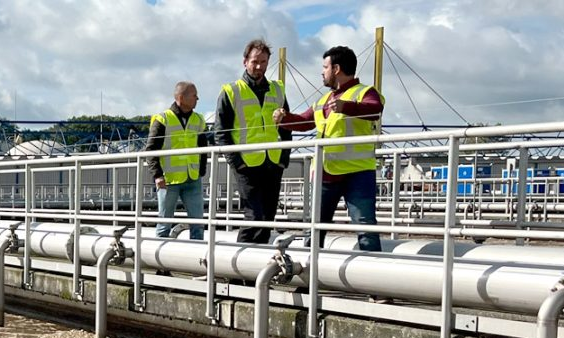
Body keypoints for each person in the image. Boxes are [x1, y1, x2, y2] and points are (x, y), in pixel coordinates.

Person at [274, 45, 385, 251]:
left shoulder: (365, 92)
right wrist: (284, 119)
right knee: (314, 228)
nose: (321, 72)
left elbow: (375, 109)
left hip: (357, 173)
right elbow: (304, 122)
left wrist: (347, 107)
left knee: (365, 227)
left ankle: (372, 278)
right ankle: (307, 277)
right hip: (325, 174)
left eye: (325, 67)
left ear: (336, 69)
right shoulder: (323, 100)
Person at [215, 38, 292, 244]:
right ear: (245, 62)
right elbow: (220, 133)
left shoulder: (277, 89)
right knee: (254, 215)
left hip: (273, 162)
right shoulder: (231, 91)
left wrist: (283, 158)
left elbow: (287, 126)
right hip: (246, 164)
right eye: (255, 61)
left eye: (264, 62)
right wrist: (236, 163)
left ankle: (256, 265)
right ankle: (239, 269)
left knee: (267, 217)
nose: (259, 66)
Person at [145, 81, 208, 240]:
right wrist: (157, 175)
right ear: (181, 97)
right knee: (164, 223)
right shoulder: (163, 119)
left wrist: (201, 171)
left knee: (198, 224)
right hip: (169, 180)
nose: (197, 99)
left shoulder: (199, 120)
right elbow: (151, 149)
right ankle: (159, 260)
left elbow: (203, 147)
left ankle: (197, 258)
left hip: (192, 178)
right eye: (194, 95)